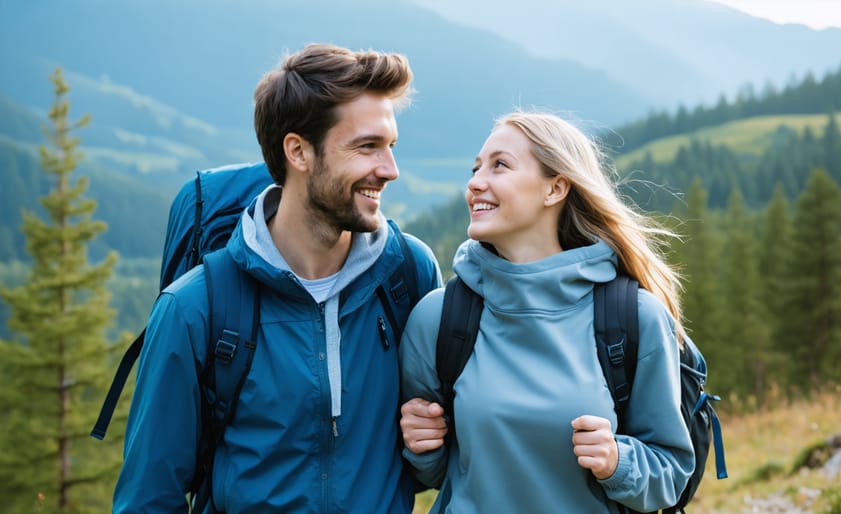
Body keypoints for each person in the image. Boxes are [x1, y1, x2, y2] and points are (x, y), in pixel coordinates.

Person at [113, 43, 442, 513]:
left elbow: (441, 454)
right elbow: (148, 498)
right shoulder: (196, 308)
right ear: (298, 151)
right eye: (367, 146)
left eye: (390, 145)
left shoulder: (408, 274)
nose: (390, 169)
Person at [398, 111, 695, 513]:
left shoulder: (632, 317)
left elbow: (671, 474)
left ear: (555, 188)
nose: (475, 182)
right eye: (475, 167)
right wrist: (422, 446)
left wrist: (616, 461)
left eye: (499, 165)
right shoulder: (439, 317)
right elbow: (435, 475)